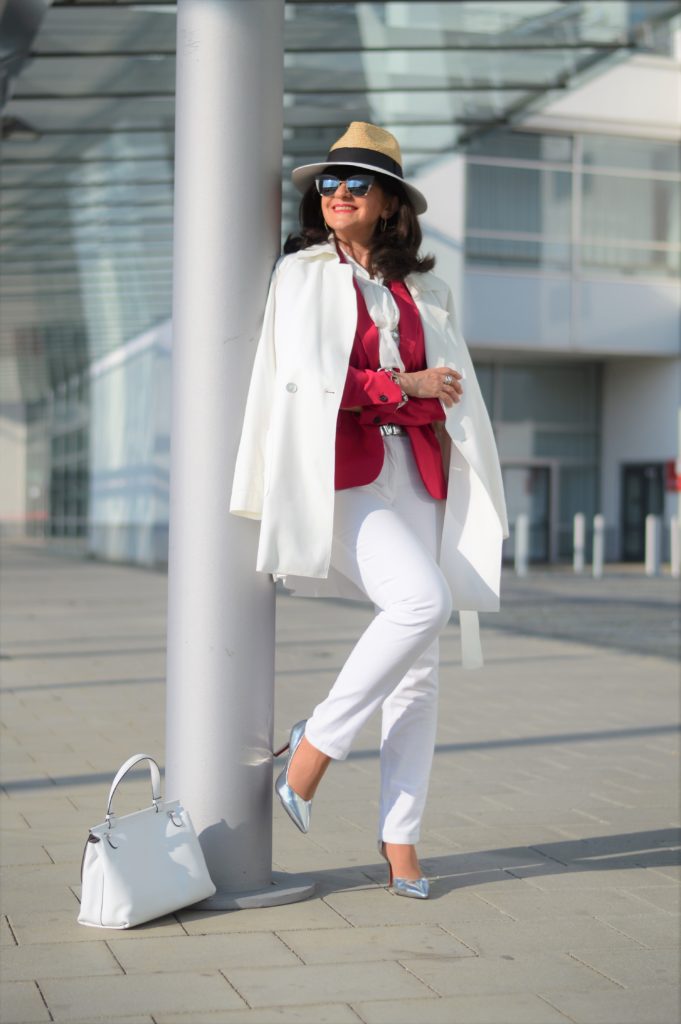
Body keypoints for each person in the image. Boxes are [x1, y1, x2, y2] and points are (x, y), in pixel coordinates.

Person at [230, 122, 508, 898]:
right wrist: (402, 387)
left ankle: (401, 837)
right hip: (339, 475)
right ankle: (315, 746)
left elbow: (447, 395)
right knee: (420, 602)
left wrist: (413, 395)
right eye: (328, 183)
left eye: (356, 183)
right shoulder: (303, 275)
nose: (339, 194)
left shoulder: (427, 292)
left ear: (389, 203)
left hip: (416, 471)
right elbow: (304, 384)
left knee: (420, 670)